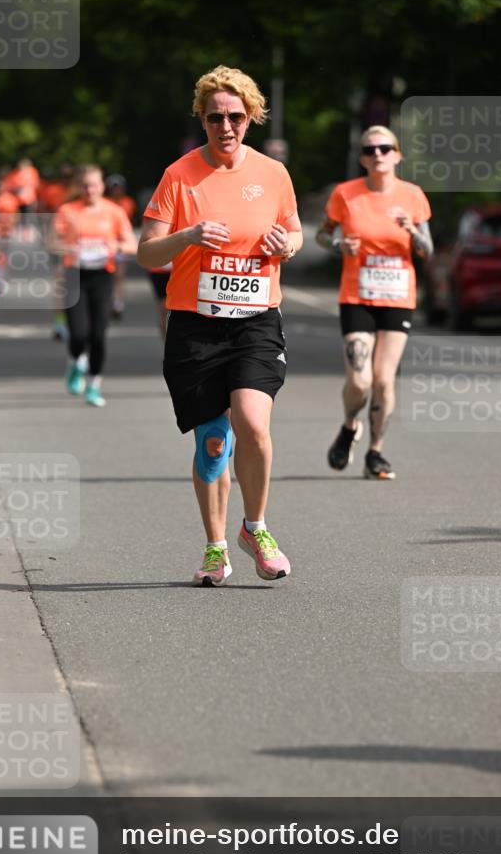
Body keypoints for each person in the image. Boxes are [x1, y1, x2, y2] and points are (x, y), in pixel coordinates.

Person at [137, 65, 302, 586]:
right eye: (214, 117)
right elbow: (145, 252)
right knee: (212, 442)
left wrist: (288, 246)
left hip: (255, 320)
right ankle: (215, 547)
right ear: (201, 119)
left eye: (234, 116)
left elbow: (294, 230)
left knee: (253, 422)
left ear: (250, 116)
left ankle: (255, 527)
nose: (225, 126)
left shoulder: (273, 174)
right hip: (195, 325)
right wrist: (186, 236)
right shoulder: (178, 175)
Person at [316, 125, 433, 479]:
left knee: (384, 380)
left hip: (398, 297)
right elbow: (323, 235)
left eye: (385, 148)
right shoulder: (345, 194)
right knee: (360, 380)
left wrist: (411, 232)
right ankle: (351, 425)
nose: (377, 155)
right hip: (357, 296)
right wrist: (339, 246)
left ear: (397, 155)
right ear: (363, 158)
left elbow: (427, 251)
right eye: (370, 150)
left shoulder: (413, 196)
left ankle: (375, 452)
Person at [52, 164, 136, 406]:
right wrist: (70, 248)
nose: (90, 189)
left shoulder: (114, 212)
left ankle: (94, 385)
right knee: (78, 333)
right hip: (74, 275)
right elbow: (53, 242)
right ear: (79, 187)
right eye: (86, 185)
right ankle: (75, 361)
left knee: (98, 335)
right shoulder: (67, 210)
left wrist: (115, 248)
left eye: (95, 185)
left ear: (102, 186)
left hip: (102, 275)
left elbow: (130, 244)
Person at [104, 174, 137, 320]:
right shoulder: (105, 203)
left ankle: (118, 302)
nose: (116, 191)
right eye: (113, 188)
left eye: (118, 188)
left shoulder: (128, 202)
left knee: (119, 276)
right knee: (108, 276)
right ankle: (108, 301)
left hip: (121, 243)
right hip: (108, 243)